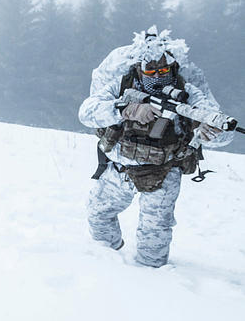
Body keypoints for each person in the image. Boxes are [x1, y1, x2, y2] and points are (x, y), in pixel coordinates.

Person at [78, 26, 233, 267]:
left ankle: (153, 285)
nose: (158, 76)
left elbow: (221, 129)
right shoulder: (121, 86)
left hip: (164, 171)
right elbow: (86, 113)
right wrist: (125, 109)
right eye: (150, 69)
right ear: (138, 67)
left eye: (163, 69)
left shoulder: (188, 93)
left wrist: (211, 132)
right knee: (98, 216)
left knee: (153, 238)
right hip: (121, 168)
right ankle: (106, 264)